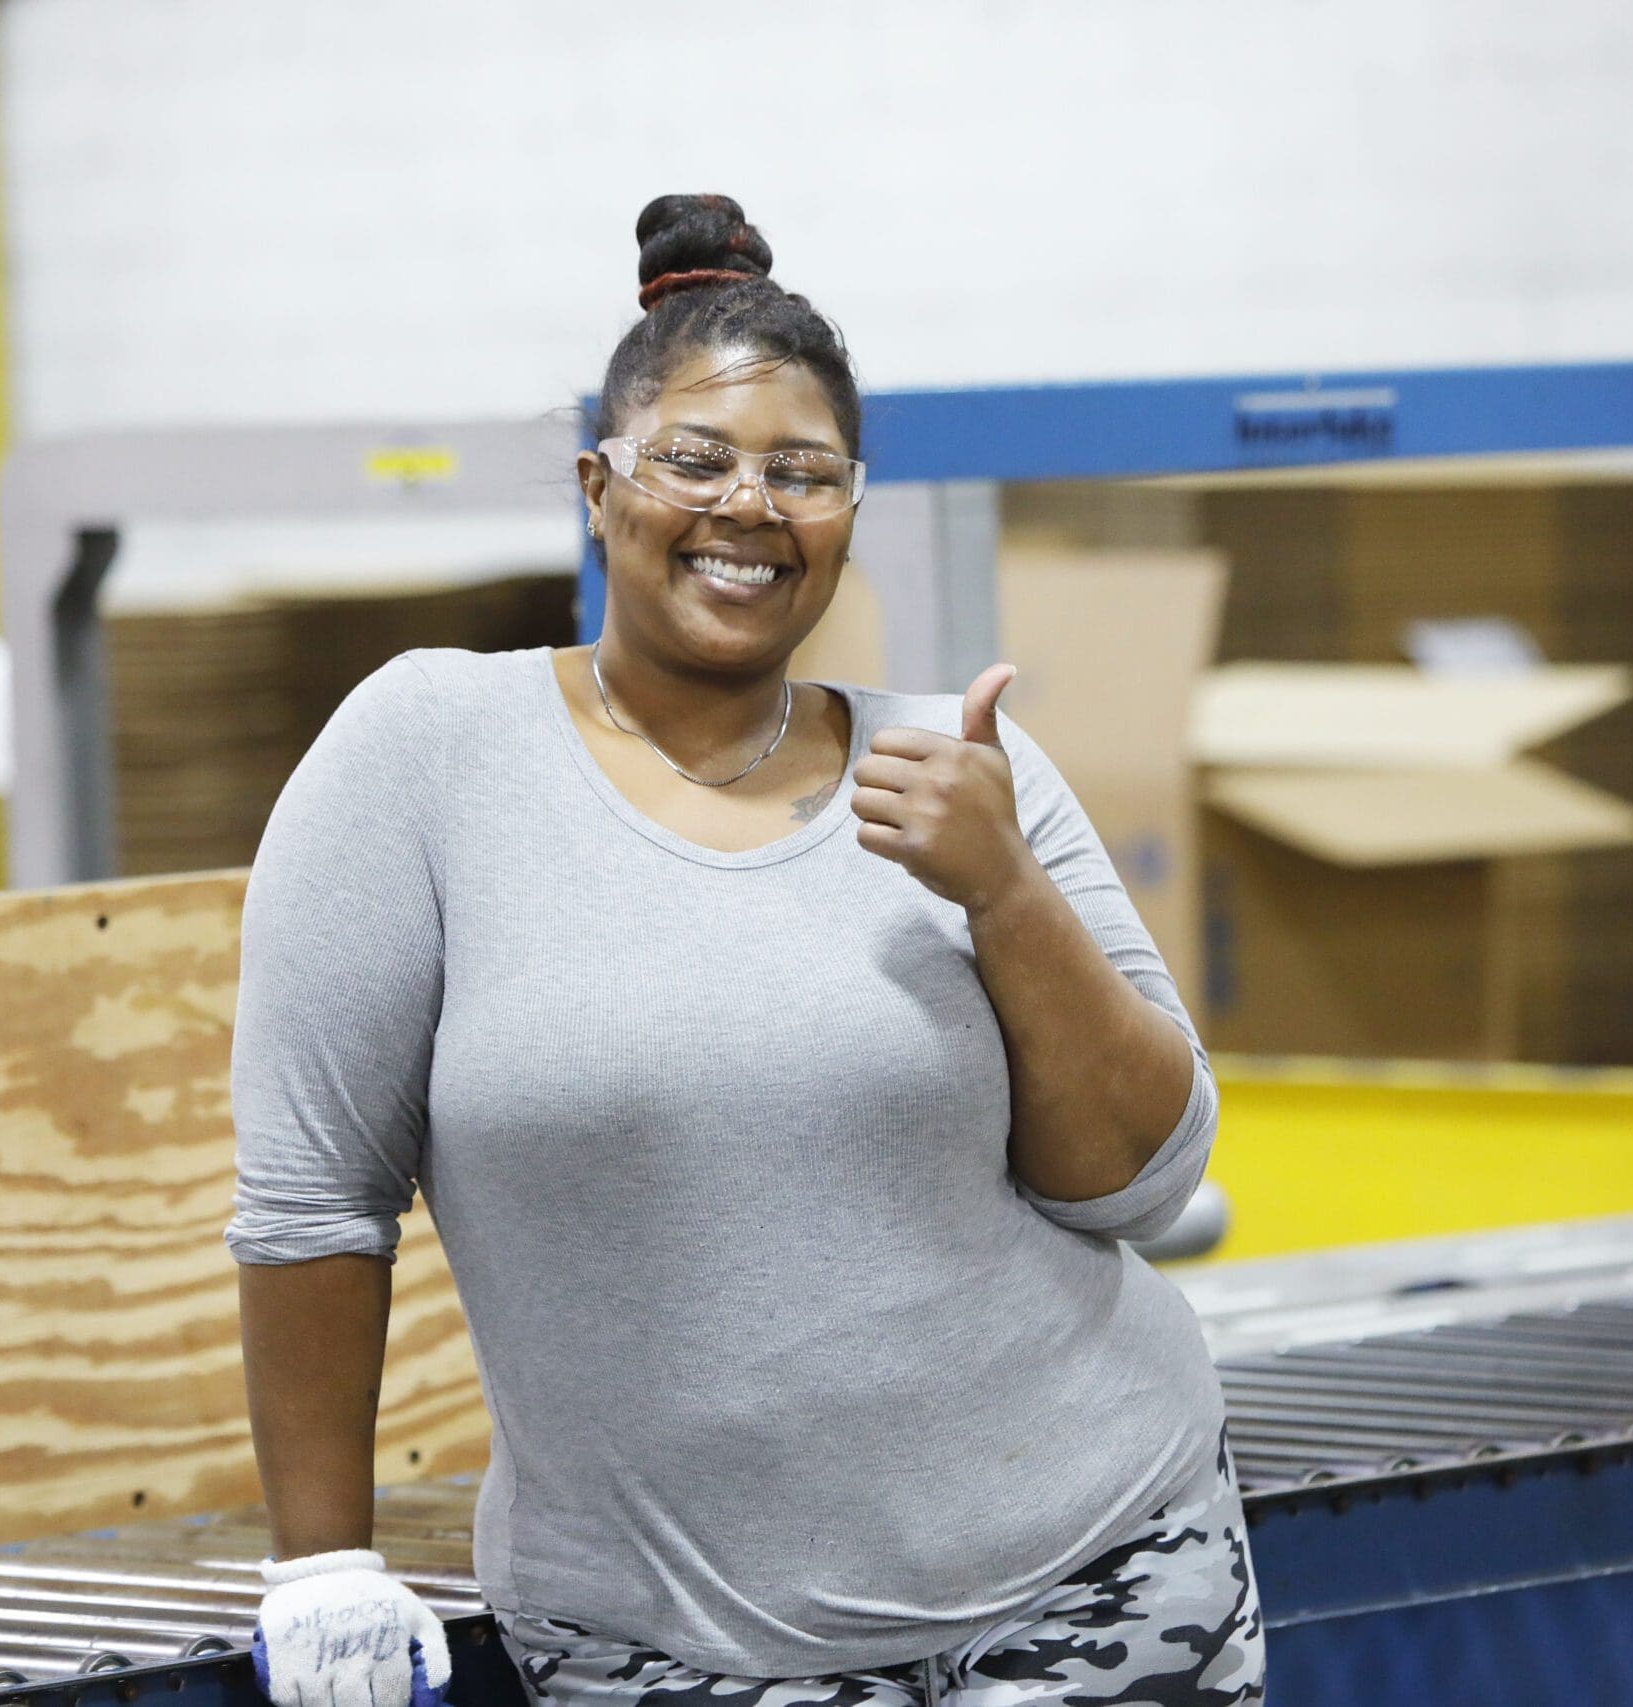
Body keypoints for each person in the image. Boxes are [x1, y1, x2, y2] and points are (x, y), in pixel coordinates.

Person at [229, 194, 1263, 1707]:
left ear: (850, 510)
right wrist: (322, 1560)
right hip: (678, 1644)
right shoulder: (430, 754)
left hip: (1101, 1575)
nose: (750, 507)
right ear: (599, 486)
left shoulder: (960, 768)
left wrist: (1004, 893)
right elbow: (316, 1193)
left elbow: (1137, 1183)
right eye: (695, 460)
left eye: (804, 474)